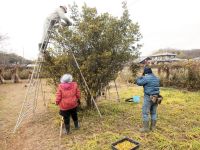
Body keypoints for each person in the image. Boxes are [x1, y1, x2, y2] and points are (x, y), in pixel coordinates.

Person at [136, 66, 160, 132]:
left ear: (145, 72)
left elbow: (139, 83)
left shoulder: (146, 77)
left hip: (148, 97)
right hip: (157, 97)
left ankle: (146, 128)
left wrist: (139, 77)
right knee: (154, 113)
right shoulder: (156, 78)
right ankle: (153, 128)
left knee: (145, 113)